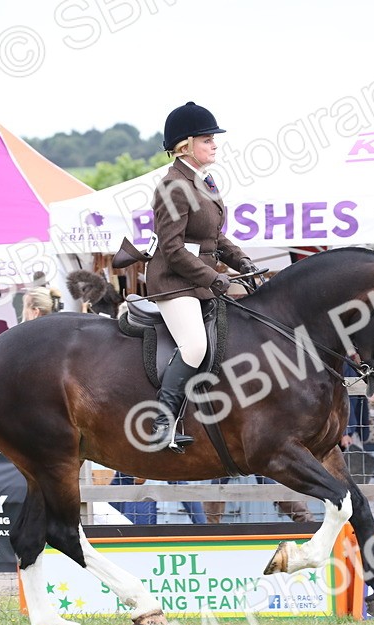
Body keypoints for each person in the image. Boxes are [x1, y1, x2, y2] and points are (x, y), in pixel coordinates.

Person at [146, 101, 257, 452]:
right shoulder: (173, 186)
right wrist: (213, 277)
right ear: (185, 145)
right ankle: (162, 422)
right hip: (173, 282)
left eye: (213, 139)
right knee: (195, 345)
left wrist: (242, 261)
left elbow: (213, 237)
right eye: (207, 140)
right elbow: (172, 248)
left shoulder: (202, 182)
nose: (214, 145)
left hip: (199, 281)